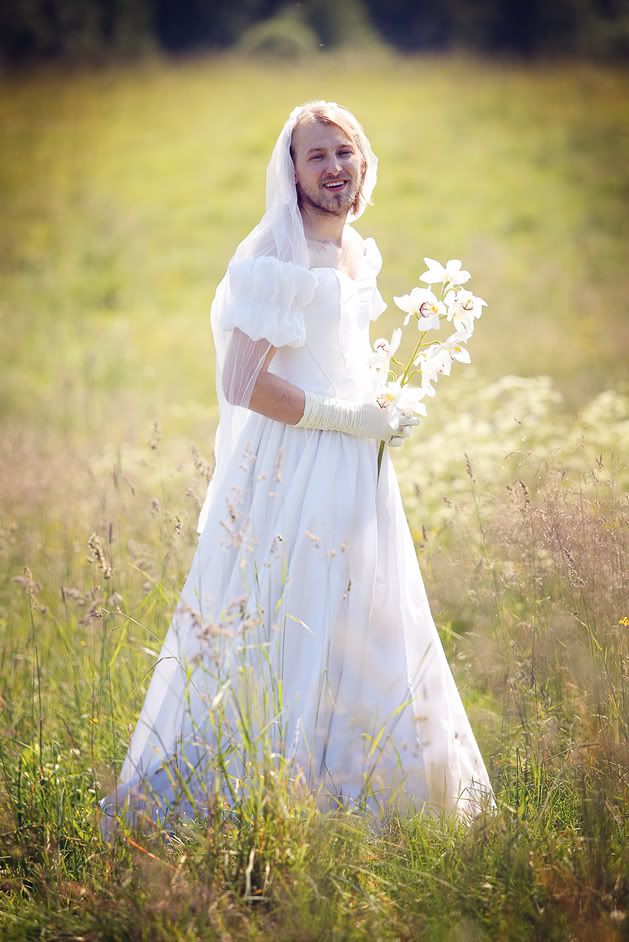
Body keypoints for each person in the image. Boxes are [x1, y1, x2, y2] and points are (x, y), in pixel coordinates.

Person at [99, 100, 496, 840]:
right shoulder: (271, 260)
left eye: (343, 152)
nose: (333, 167)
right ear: (291, 172)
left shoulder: (355, 251)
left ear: (364, 161)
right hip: (294, 467)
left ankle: (380, 805)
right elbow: (242, 383)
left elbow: (335, 357)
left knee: (371, 623)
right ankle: (267, 804)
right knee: (292, 625)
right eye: (316, 156)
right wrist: (347, 419)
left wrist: (383, 401)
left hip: (357, 471)